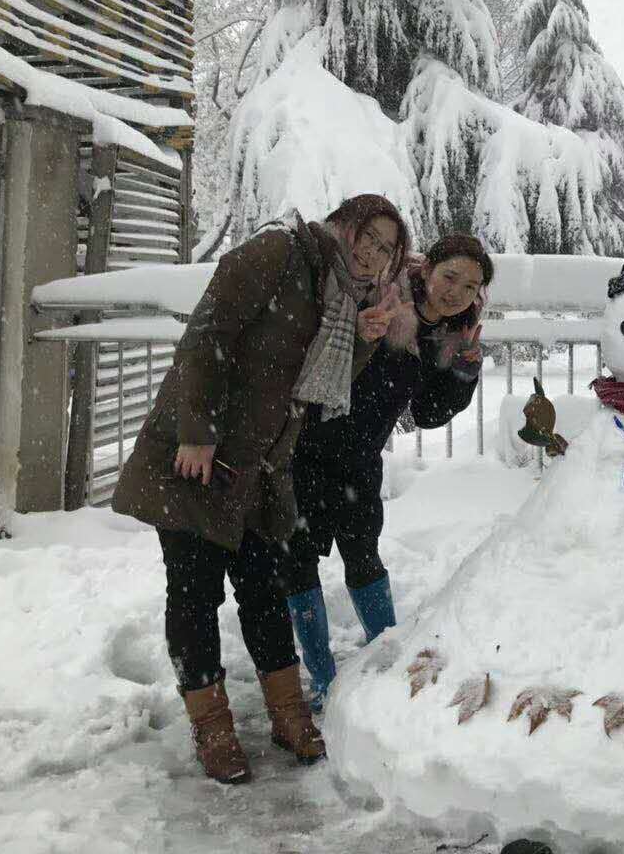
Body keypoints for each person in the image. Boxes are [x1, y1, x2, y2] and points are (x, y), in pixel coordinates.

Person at [113, 194, 409, 784]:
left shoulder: (342, 299)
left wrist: (368, 340)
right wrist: (196, 431)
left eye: (386, 249)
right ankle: (212, 727)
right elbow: (206, 335)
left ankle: (287, 712)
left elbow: (318, 388)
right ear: (344, 224)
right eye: (369, 237)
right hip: (198, 459)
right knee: (195, 596)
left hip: (261, 472)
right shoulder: (280, 251)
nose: (373, 253)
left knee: (266, 594)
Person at [284, 234, 492, 709]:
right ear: (427, 270)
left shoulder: (451, 335)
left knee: (364, 558)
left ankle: (389, 664)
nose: (456, 291)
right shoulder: (383, 299)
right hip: (308, 449)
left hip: (359, 461)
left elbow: (428, 412)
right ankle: (321, 676)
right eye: (450, 276)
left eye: (470, 285)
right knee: (298, 563)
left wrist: (462, 371)